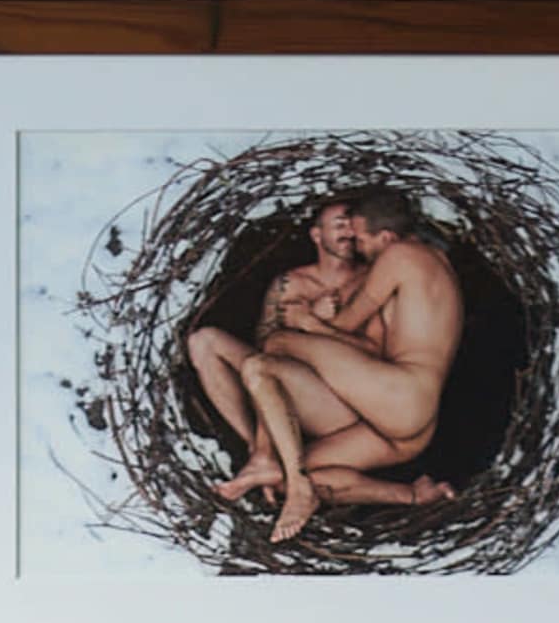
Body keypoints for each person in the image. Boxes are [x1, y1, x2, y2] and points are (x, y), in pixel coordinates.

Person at [182, 186, 464, 545]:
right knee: (286, 475)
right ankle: (412, 494)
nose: (356, 244)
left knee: (276, 345)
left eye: (359, 237)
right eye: (344, 231)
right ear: (316, 235)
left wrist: (311, 322)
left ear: (388, 237)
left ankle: (270, 462)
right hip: (409, 422)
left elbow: (348, 326)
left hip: (401, 395)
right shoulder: (434, 264)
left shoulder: (399, 256)